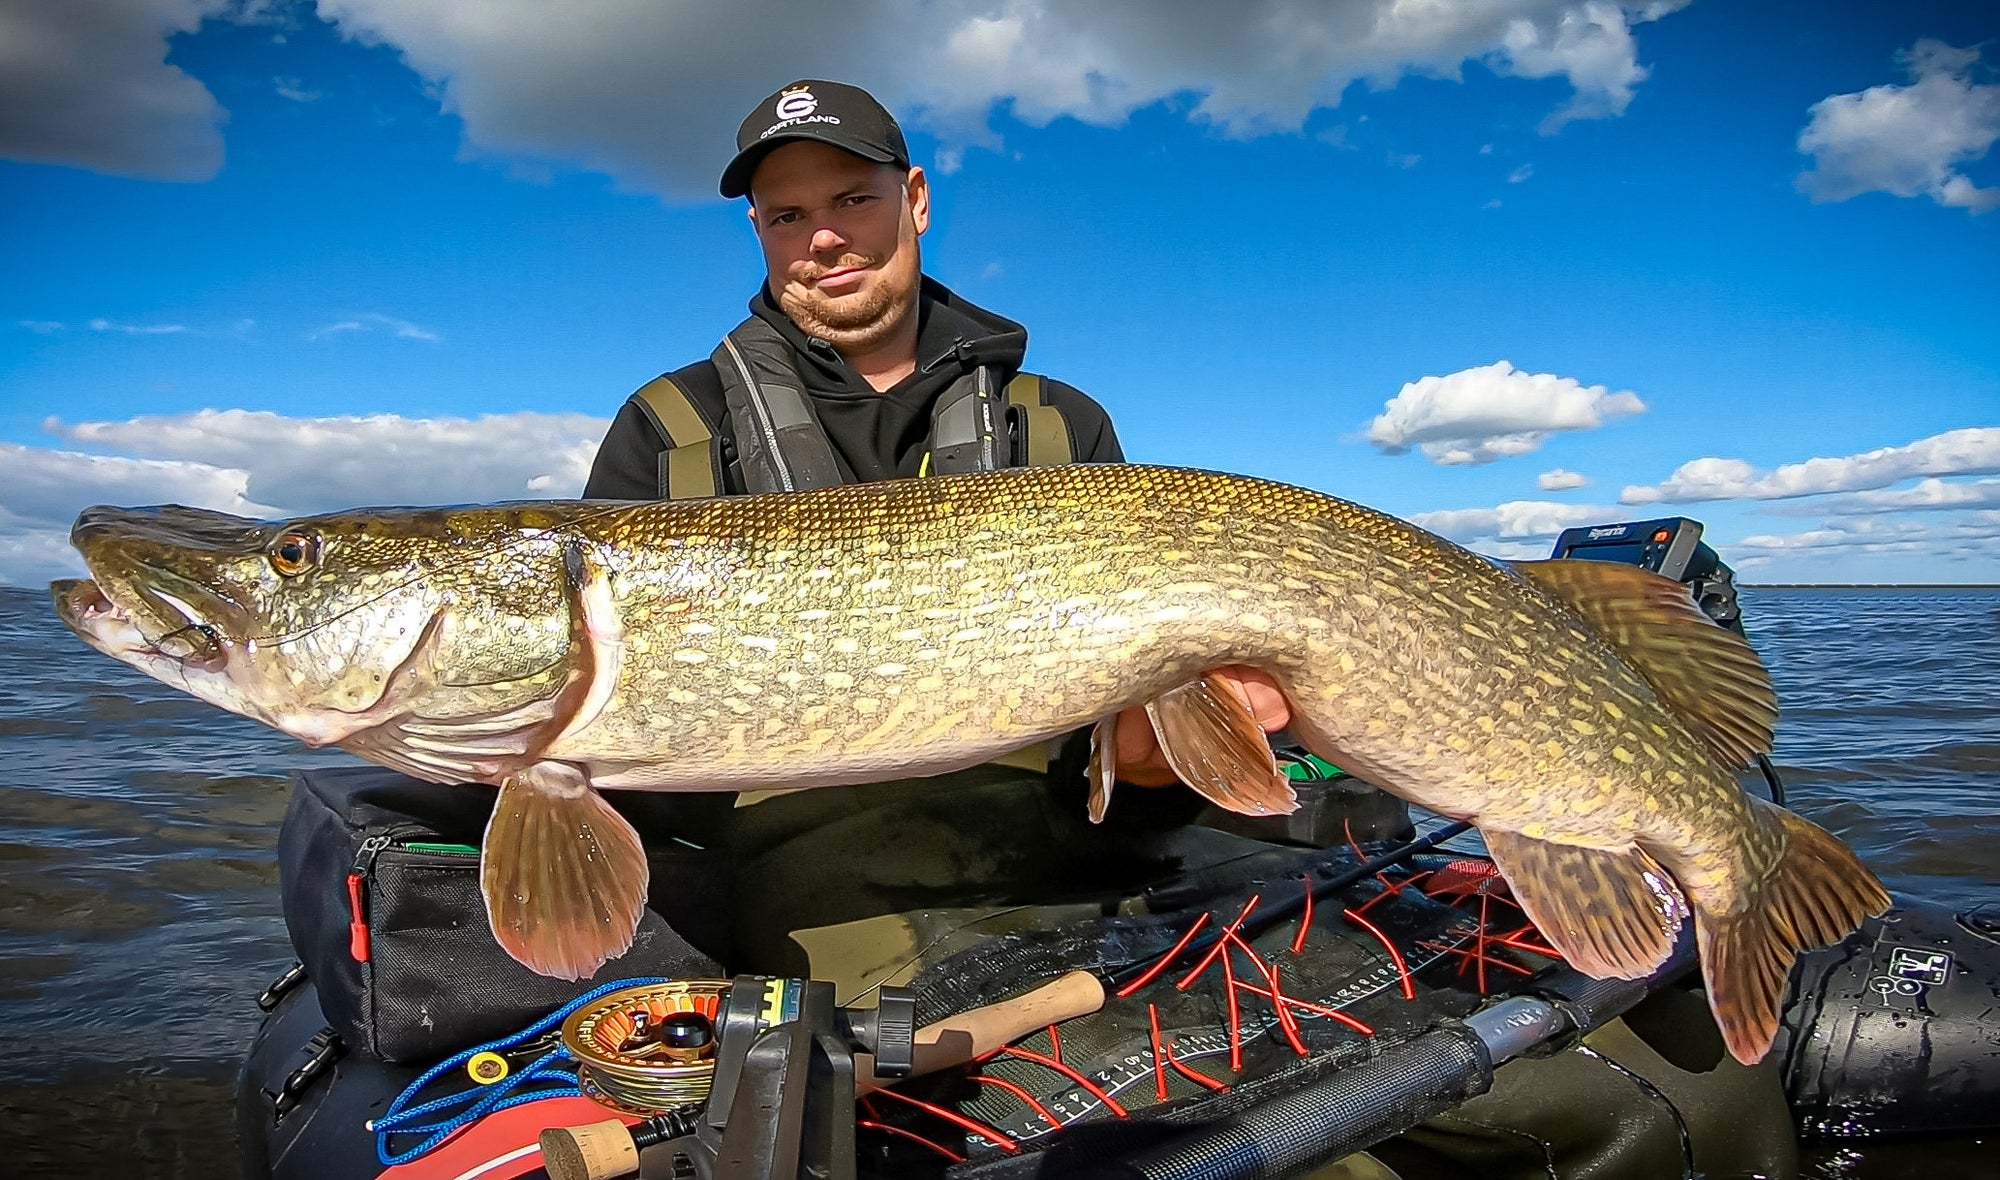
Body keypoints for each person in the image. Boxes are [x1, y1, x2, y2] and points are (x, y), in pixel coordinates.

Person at [583, 79, 1288, 793]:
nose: (824, 237)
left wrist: (1151, 767)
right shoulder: (668, 427)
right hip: (760, 873)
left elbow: (1109, 762)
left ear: (915, 199)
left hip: (1040, 852)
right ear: (758, 228)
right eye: (789, 215)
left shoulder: (1063, 425)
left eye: (854, 199)